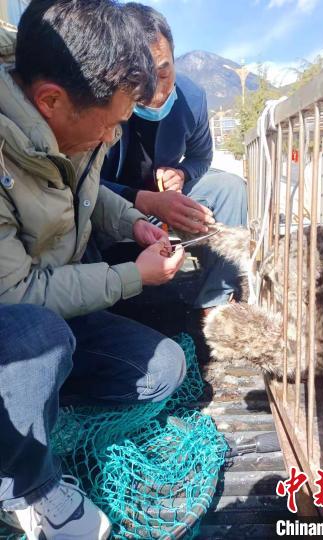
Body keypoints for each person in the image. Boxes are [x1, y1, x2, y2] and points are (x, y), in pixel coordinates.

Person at [0, 1, 187, 538]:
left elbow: (84, 188)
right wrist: (133, 277)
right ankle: (28, 489)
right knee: (37, 338)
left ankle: (31, 407)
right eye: (109, 126)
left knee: (163, 371)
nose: (111, 139)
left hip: (51, 309)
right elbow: (16, 293)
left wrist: (133, 222)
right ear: (50, 101)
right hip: (17, 317)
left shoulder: (71, 113)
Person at [101, 2, 248, 311]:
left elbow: (201, 157)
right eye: (142, 79)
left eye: (164, 72)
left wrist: (183, 174)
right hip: (110, 205)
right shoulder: (101, 100)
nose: (157, 92)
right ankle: (99, 305)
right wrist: (145, 200)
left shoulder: (192, 98)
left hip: (165, 203)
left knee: (231, 188)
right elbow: (82, 181)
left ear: (173, 55)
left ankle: (215, 302)